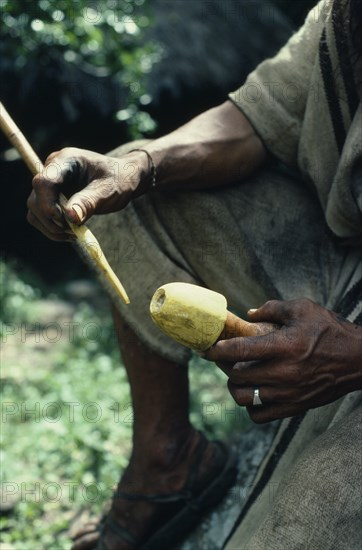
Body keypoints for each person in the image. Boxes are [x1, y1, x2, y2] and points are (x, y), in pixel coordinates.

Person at [27, 0, 361, 548]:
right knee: (130, 197)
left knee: (301, 524)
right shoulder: (344, 16)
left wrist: (353, 357)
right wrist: (138, 166)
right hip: (341, 259)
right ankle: (168, 459)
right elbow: (253, 119)